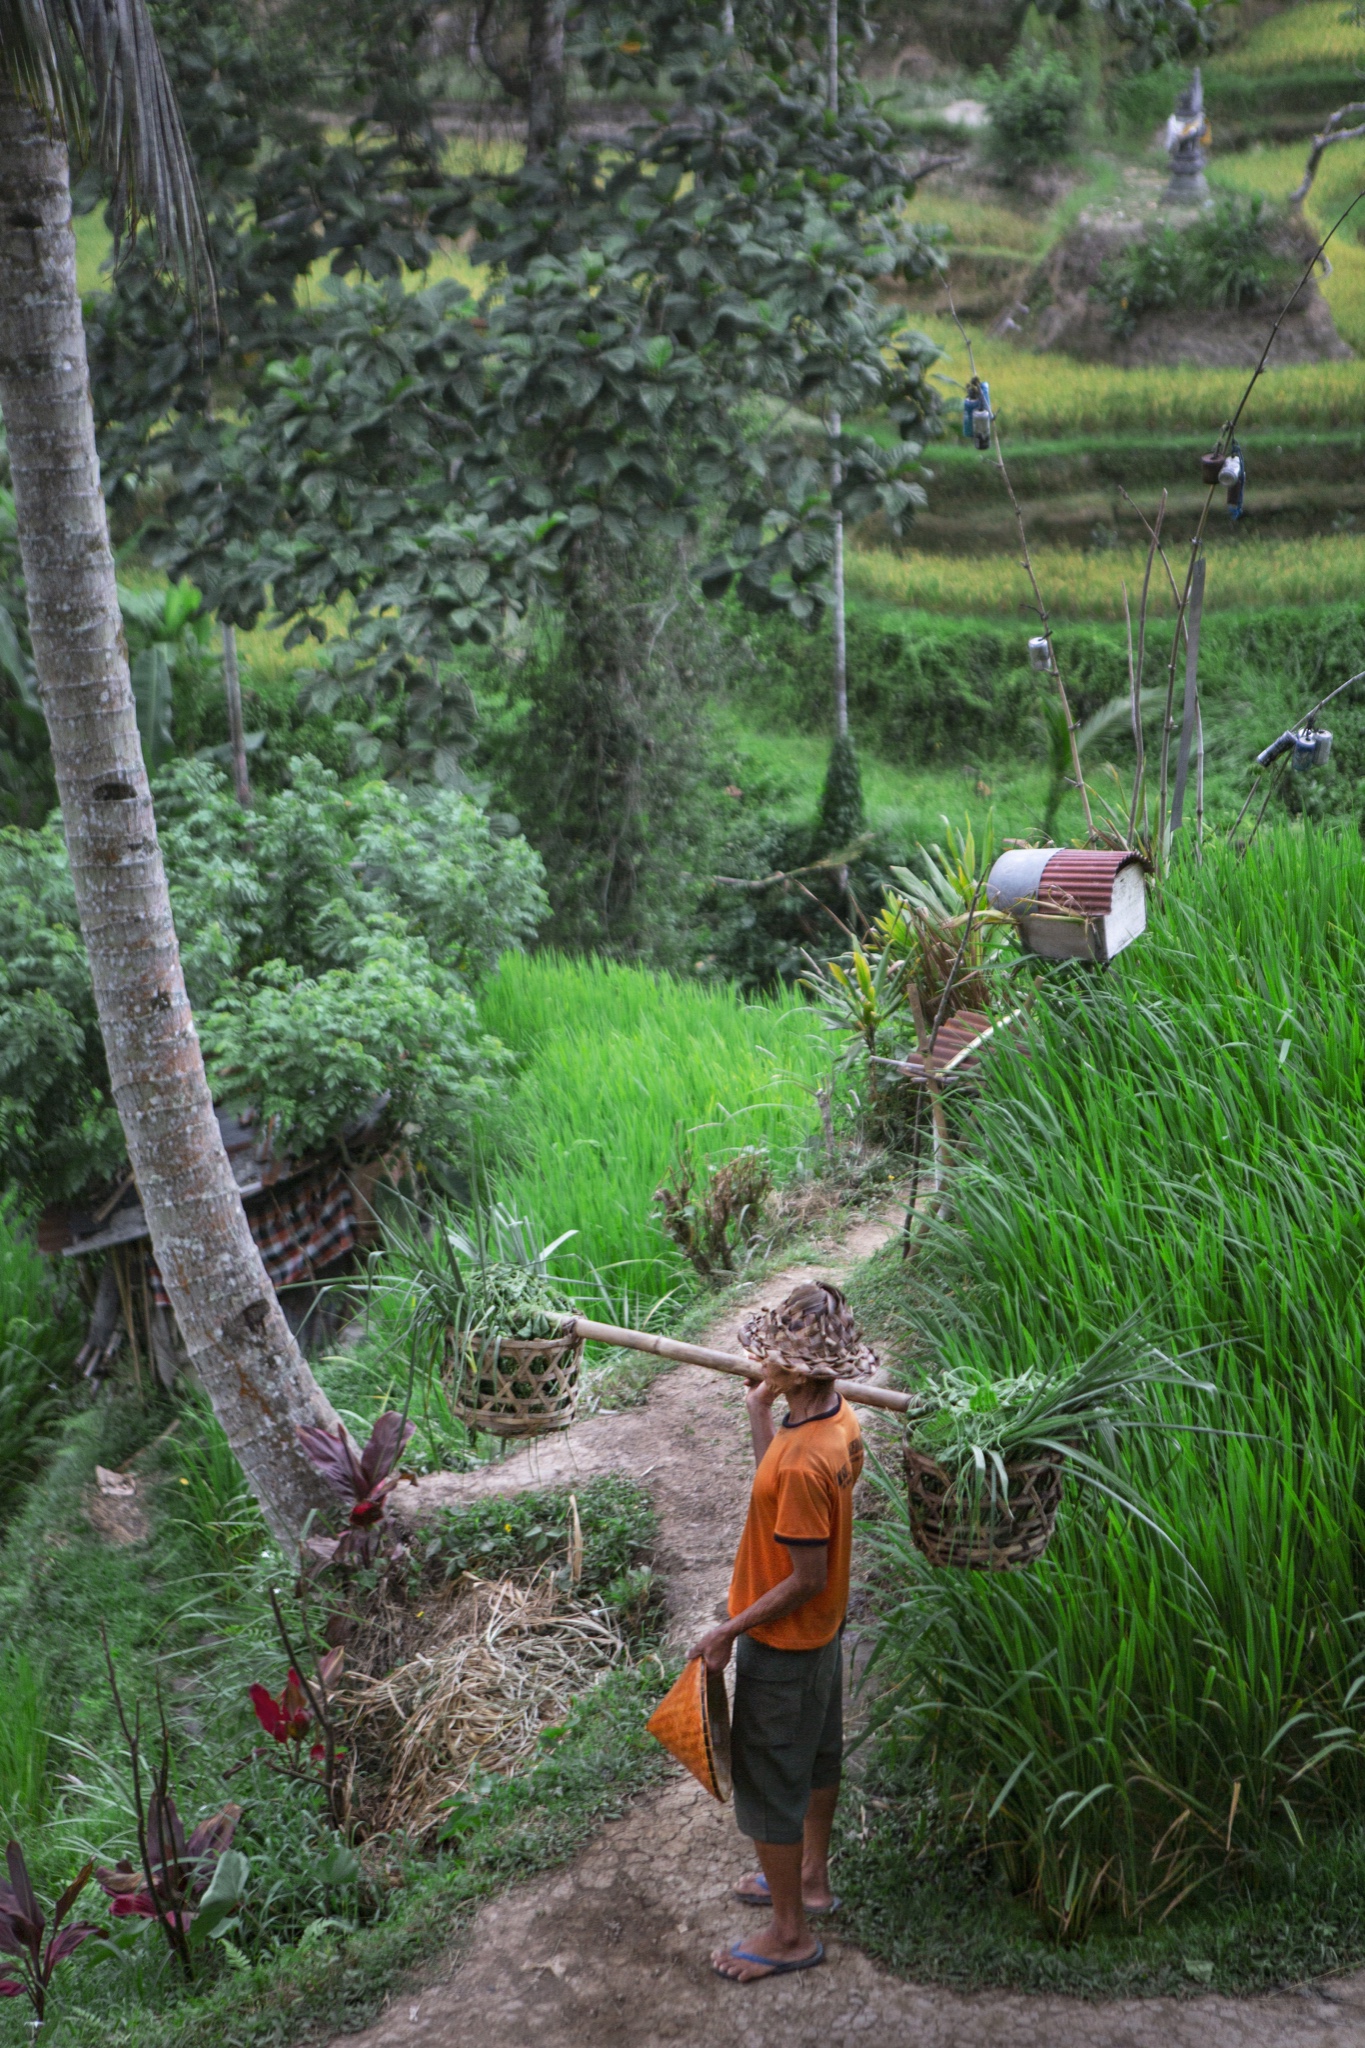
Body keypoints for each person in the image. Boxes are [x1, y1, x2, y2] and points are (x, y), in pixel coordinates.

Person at [689, 1281, 875, 1984]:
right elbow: (774, 1476)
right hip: (820, 1637)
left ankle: (790, 1933)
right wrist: (757, 1407)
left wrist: (727, 1630)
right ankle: (811, 1878)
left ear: (799, 1369)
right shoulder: (834, 1420)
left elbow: (804, 1575)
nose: (760, 1360)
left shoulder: (806, 1460)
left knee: (768, 1784)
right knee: (816, 1757)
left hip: (788, 1639)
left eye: (770, 1357)